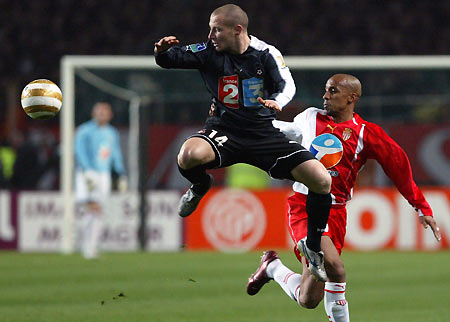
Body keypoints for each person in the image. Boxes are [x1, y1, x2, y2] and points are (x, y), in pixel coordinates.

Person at [154, 3, 332, 281]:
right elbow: (169, 60)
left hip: (264, 134)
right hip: (224, 131)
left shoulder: (265, 53)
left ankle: (312, 247)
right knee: (188, 154)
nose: (211, 35)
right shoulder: (208, 52)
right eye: (210, 29)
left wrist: (278, 102)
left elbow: (287, 85)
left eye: (217, 29)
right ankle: (201, 185)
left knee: (321, 180)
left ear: (237, 30)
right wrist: (161, 52)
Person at [246, 74, 441, 322]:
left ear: (352, 98)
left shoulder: (365, 133)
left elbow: (398, 165)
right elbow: (286, 131)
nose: (325, 96)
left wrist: (421, 206)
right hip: (304, 206)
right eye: (325, 91)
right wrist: (247, 121)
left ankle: (272, 267)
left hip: (336, 212)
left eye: (333, 91)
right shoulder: (310, 117)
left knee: (308, 298)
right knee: (336, 270)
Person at [74, 102, 127, 259]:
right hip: (88, 173)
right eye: (99, 111)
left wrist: (121, 173)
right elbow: (79, 151)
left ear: (110, 114)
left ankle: (91, 245)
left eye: (105, 112)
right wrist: (87, 170)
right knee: (93, 208)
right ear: (93, 113)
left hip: (104, 175)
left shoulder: (112, 133)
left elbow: (115, 154)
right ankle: (86, 246)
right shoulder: (84, 131)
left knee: (98, 211)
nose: (101, 114)